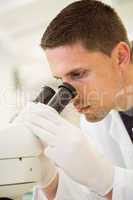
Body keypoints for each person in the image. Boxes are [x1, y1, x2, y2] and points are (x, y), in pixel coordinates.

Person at [26, 0, 133, 199]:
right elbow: (91, 196)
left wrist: (108, 180)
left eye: (77, 74)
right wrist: (49, 178)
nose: (69, 95)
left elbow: (108, 186)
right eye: (61, 80)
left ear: (120, 56)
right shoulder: (95, 124)